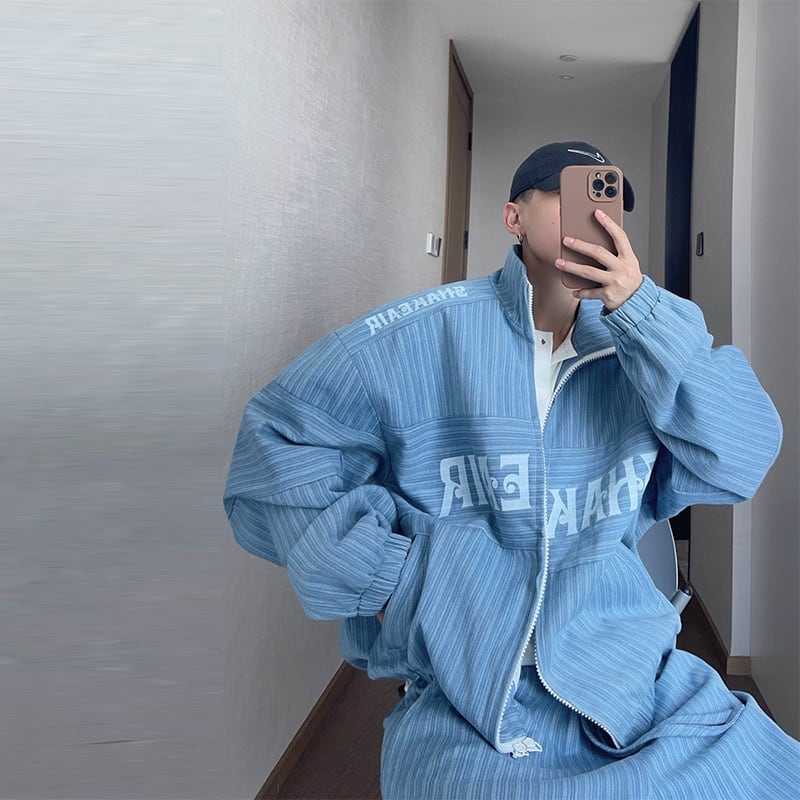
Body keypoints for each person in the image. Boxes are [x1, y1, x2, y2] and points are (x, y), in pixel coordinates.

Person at [224, 141, 800, 799]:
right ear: (513, 218)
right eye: (568, 194)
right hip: (469, 687)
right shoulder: (425, 333)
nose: (595, 216)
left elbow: (742, 456)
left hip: (631, 670)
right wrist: (391, 580)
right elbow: (275, 450)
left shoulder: (646, 344)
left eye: (607, 199)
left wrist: (641, 311)